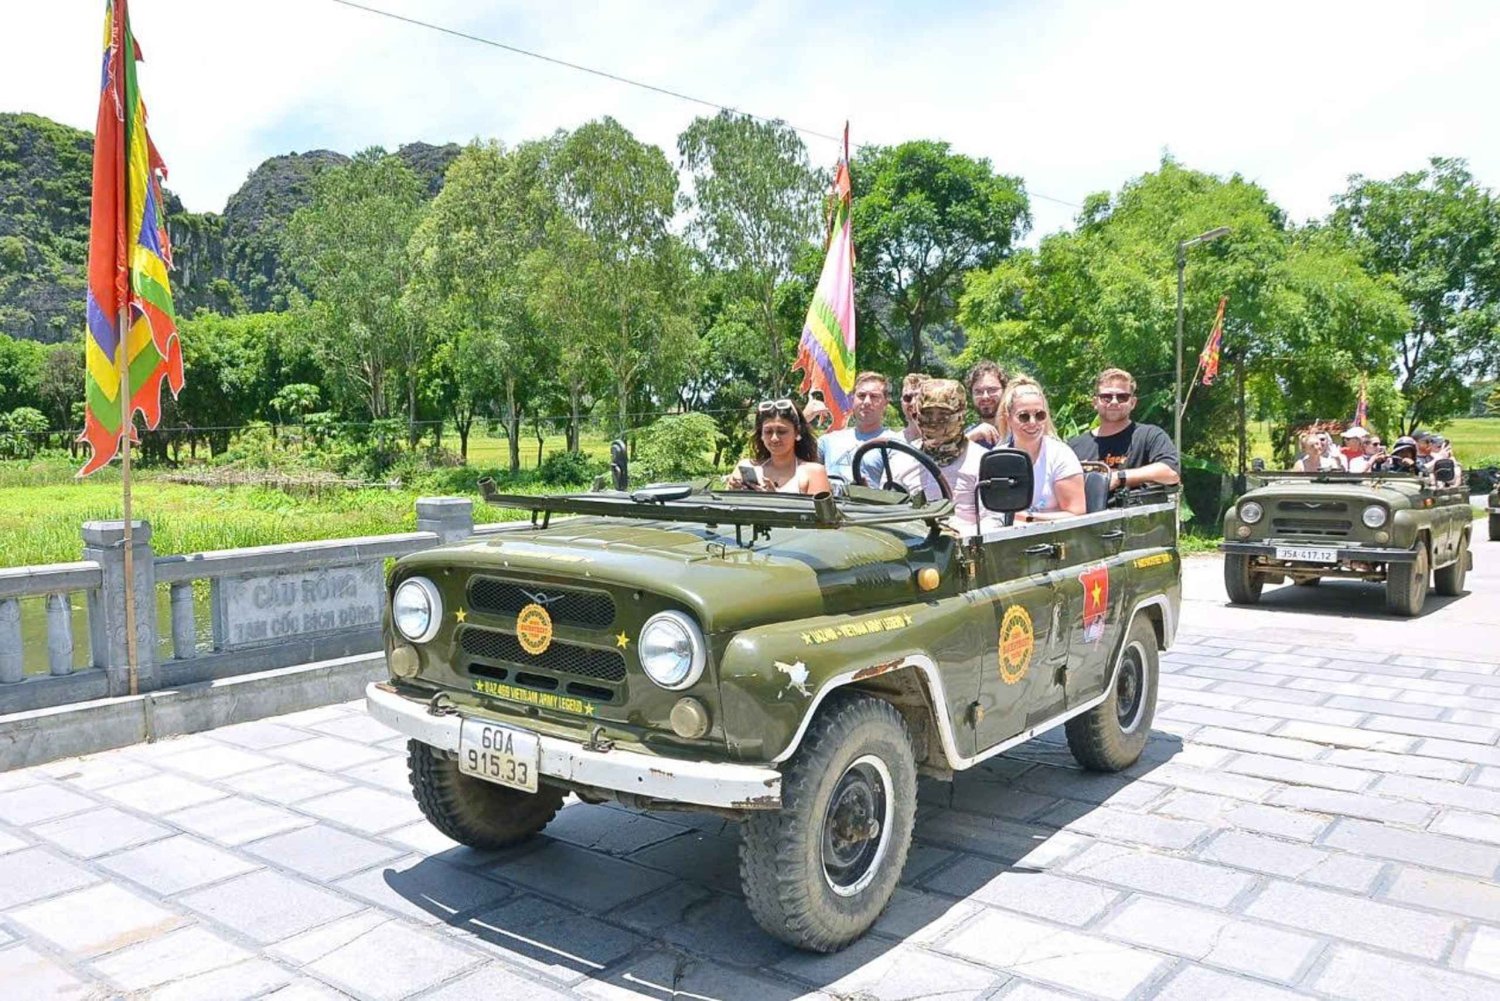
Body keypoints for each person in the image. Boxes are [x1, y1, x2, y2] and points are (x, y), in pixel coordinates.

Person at [889, 378, 1002, 535]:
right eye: (928, 414)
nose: (934, 422)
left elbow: (994, 520)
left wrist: (960, 535)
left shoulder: (983, 461)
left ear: (960, 416)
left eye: (943, 414)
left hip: (965, 550)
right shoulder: (901, 459)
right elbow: (886, 514)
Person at [1067, 367, 1180, 491]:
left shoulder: (1150, 436)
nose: (1114, 402)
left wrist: (1120, 477)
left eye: (1122, 397)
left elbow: (1171, 473)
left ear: (1132, 403)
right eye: (1106, 397)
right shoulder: (1074, 447)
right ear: (1095, 402)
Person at [1001, 377, 1084, 522]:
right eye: (1024, 416)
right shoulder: (997, 458)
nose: (1033, 423)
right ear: (1008, 418)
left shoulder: (1061, 455)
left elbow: (1077, 513)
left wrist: (1028, 518)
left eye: (1040, 415)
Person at [725, 400, 832, 495]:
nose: (774, 438)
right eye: (768, 432)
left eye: (782, 432)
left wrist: (776, 499)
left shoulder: (813, 473)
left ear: (797, 433)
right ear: (761, 435)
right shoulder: (746, 467)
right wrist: (733, 494)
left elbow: (821, 517)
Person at [814, 371, 899, 485]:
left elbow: (894, 493)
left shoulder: (894, 444)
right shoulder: (827, 441)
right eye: (861, 395)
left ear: (885, 403)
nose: (867, 402)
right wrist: (803, 418)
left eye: (874, 396)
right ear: (852, 400)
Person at [965, 361, 1008, 447]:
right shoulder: (966, 436)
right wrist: (969, 439)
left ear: (1005, 391)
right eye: (978, 392)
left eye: (992, 390)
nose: (985, 397)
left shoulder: (1020, 433)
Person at [899, 373, 930, 443]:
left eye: (919, 397)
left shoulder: (943, 444)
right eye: (907, 398)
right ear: (901, 401)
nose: (913, 402)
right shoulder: (891, 441)